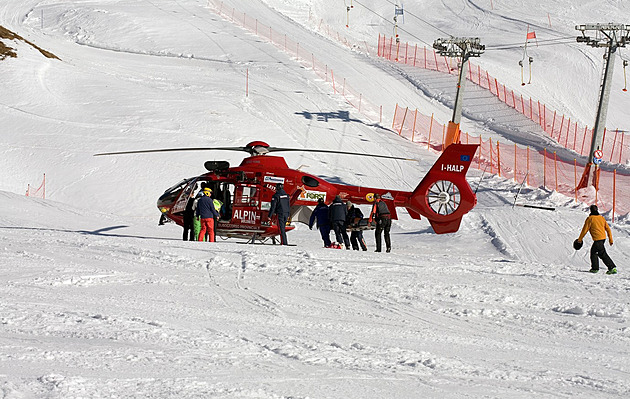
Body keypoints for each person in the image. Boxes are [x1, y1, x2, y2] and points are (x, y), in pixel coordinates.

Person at [576, 204, 617, 274]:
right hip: (602, 238)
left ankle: (611, 267)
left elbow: (584, 230)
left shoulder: (590, 219)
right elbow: (608, 229)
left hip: (598, 239)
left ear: (590, 210)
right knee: (595, 252)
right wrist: (610, 239)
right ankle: (596, 268)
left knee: (601, 253)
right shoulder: (601, 218)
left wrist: (580, 239)